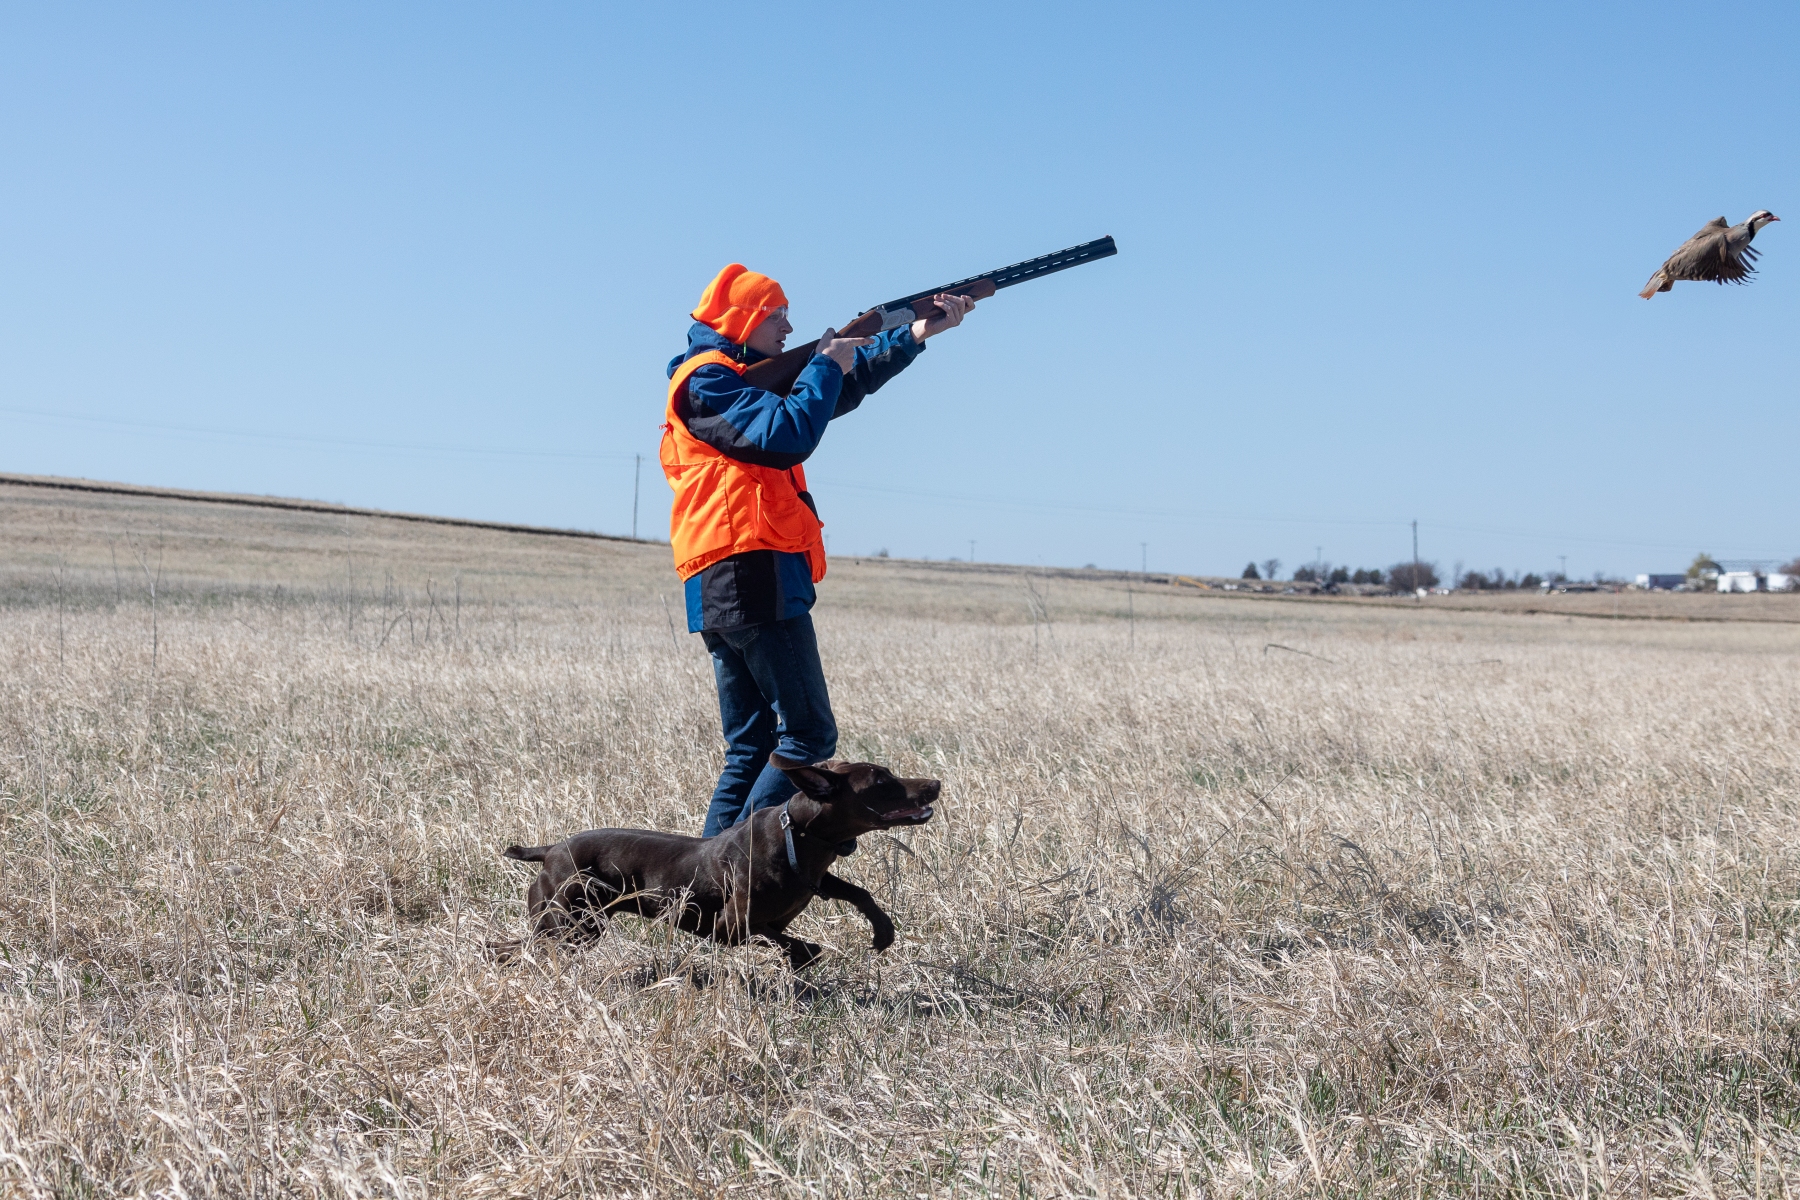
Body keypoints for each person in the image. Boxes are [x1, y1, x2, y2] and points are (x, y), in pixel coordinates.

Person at [661, 264, 973, 837]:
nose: (788, 326)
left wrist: (912, 335)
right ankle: (745, 864)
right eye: (776, 315)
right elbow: (786, 436)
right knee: (808, 736)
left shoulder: (732, 380)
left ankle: (706, 878)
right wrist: (826, 362)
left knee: (752, 746)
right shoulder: (708, 381)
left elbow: (826, 399)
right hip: (751, 566)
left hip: (726, 575)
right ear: (743, 320)